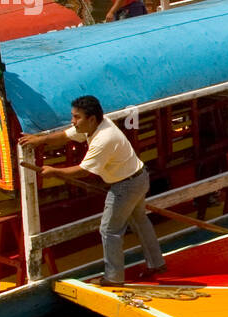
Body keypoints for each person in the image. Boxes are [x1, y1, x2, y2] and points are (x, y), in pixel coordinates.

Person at [19, 95, 167, 287]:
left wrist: (54, 171)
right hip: (138, 177)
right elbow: (65, 136)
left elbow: (84, 171)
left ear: (91, 119)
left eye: (76, 117)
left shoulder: (104, 138)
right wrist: (40, 140)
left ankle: (114, 278)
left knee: (109, 230)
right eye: (73, 116)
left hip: (126, 185)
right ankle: (157, 264)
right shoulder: (95, 125)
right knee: (140, 221)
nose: (73, 122)